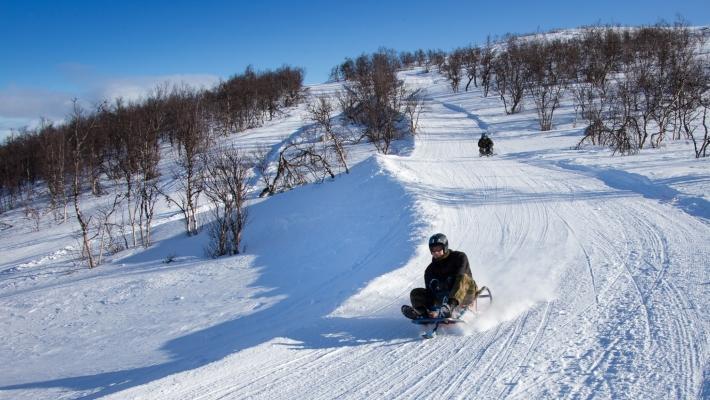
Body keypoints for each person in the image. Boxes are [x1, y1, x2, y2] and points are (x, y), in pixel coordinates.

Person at [401, 233, 478, 319]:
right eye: (433, 249)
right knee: (416, 292)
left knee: (463, 278)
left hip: (466, 294)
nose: (436, 252)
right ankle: (421, 313)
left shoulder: (459, 257)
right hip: (444, 299)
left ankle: (449, 307)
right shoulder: (429, 270)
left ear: (445, 247)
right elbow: (430, 293)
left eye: (438, 248)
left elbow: (462, 275)